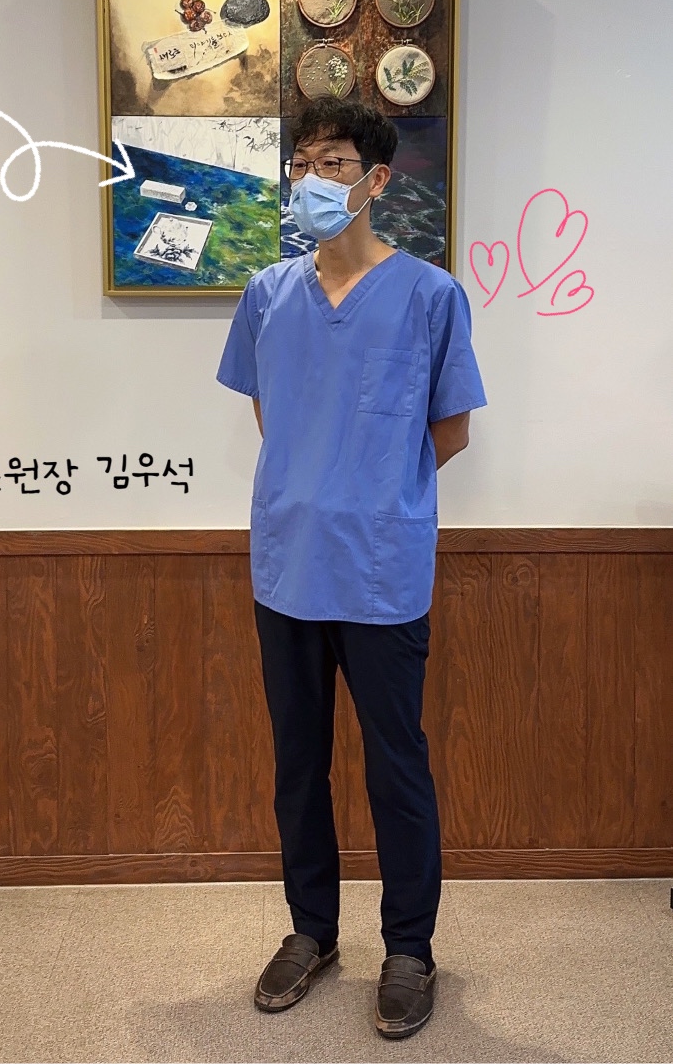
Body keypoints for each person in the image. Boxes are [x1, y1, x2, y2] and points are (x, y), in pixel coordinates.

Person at [216, 95, 486, 1040]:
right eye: (301, 163)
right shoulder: (268, 294)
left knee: (396, 764)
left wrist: (372, 492)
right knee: (297, 760)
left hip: (380, 566)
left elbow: (449, 431)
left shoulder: (430, 296)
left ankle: (410, 947)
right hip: (287, 564)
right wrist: (318, 484)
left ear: (375, 179)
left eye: (331, 163)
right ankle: (312, 931)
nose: (311, 179)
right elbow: (272, 414)